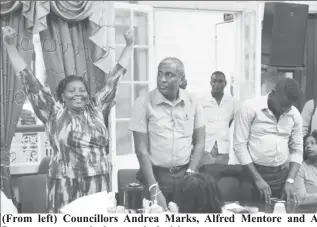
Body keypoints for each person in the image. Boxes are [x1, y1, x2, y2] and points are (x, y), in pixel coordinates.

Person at [2, 26, 134, 212]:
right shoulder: (53, 111)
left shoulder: (96, 107)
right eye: (71, 91)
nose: (78, 94)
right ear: (62, 96)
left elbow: (115, 78)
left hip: (99, 182)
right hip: (64, 184)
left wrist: (129, 46)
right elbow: (29, 80)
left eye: (82, 90)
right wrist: (10, 46)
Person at [129, 57, 205, 210]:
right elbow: (141, 150)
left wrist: (191, 172)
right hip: (155, 175)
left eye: (169, 75)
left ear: (181, 78)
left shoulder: (193, 101)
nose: (162, 80)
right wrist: (153, 188)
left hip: (185, 175)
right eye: (160, 74)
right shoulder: (143, 103)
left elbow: (200, 142)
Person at [233, 78, 303, 202]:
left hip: (281, 176)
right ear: (273, 93)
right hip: (252, 175)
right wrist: (257, 179)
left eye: (289, 106)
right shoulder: (250, 107)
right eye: (282, 104)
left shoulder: (294, 114)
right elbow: (239, 146)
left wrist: (290, 180)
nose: (284, 110)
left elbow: (297, 150)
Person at [199, 71, 236, 166]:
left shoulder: (231, 102)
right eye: (214, 81)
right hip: (206, 148)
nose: (217, 84)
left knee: (221, 177)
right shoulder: (202, 101)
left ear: (225, 83)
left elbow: (230, 121)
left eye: (220, 81)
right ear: (210, 83)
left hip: (223, 148)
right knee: (206, 177)